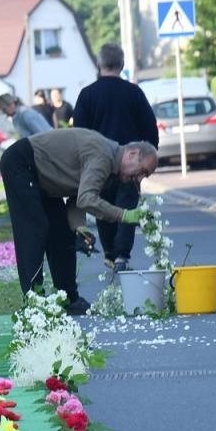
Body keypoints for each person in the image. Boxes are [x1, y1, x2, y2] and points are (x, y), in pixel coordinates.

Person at [0, 128, 159, 316]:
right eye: (142, 172)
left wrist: (79, 227)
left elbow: (78, 195)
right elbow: (86, 198)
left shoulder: (110, 167)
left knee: (62, 232)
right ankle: (34, 299)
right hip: (22, 163)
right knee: (35, 229)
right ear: (133, 154)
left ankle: (68, 298)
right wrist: (124, 215)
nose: (138, 179)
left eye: (144, 176)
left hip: (44, 179)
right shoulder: (103, 156)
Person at [71, 44, 163, 271]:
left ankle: (110, 253)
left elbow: (78, 134)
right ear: (122, 65)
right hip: (130, 163)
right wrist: (145, 164)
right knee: (127, 205)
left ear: (99, 64)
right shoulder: (134, 93)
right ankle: (122, 255)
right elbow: (150, 131)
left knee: (102, 206)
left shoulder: (87, 95)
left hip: (97, 163)